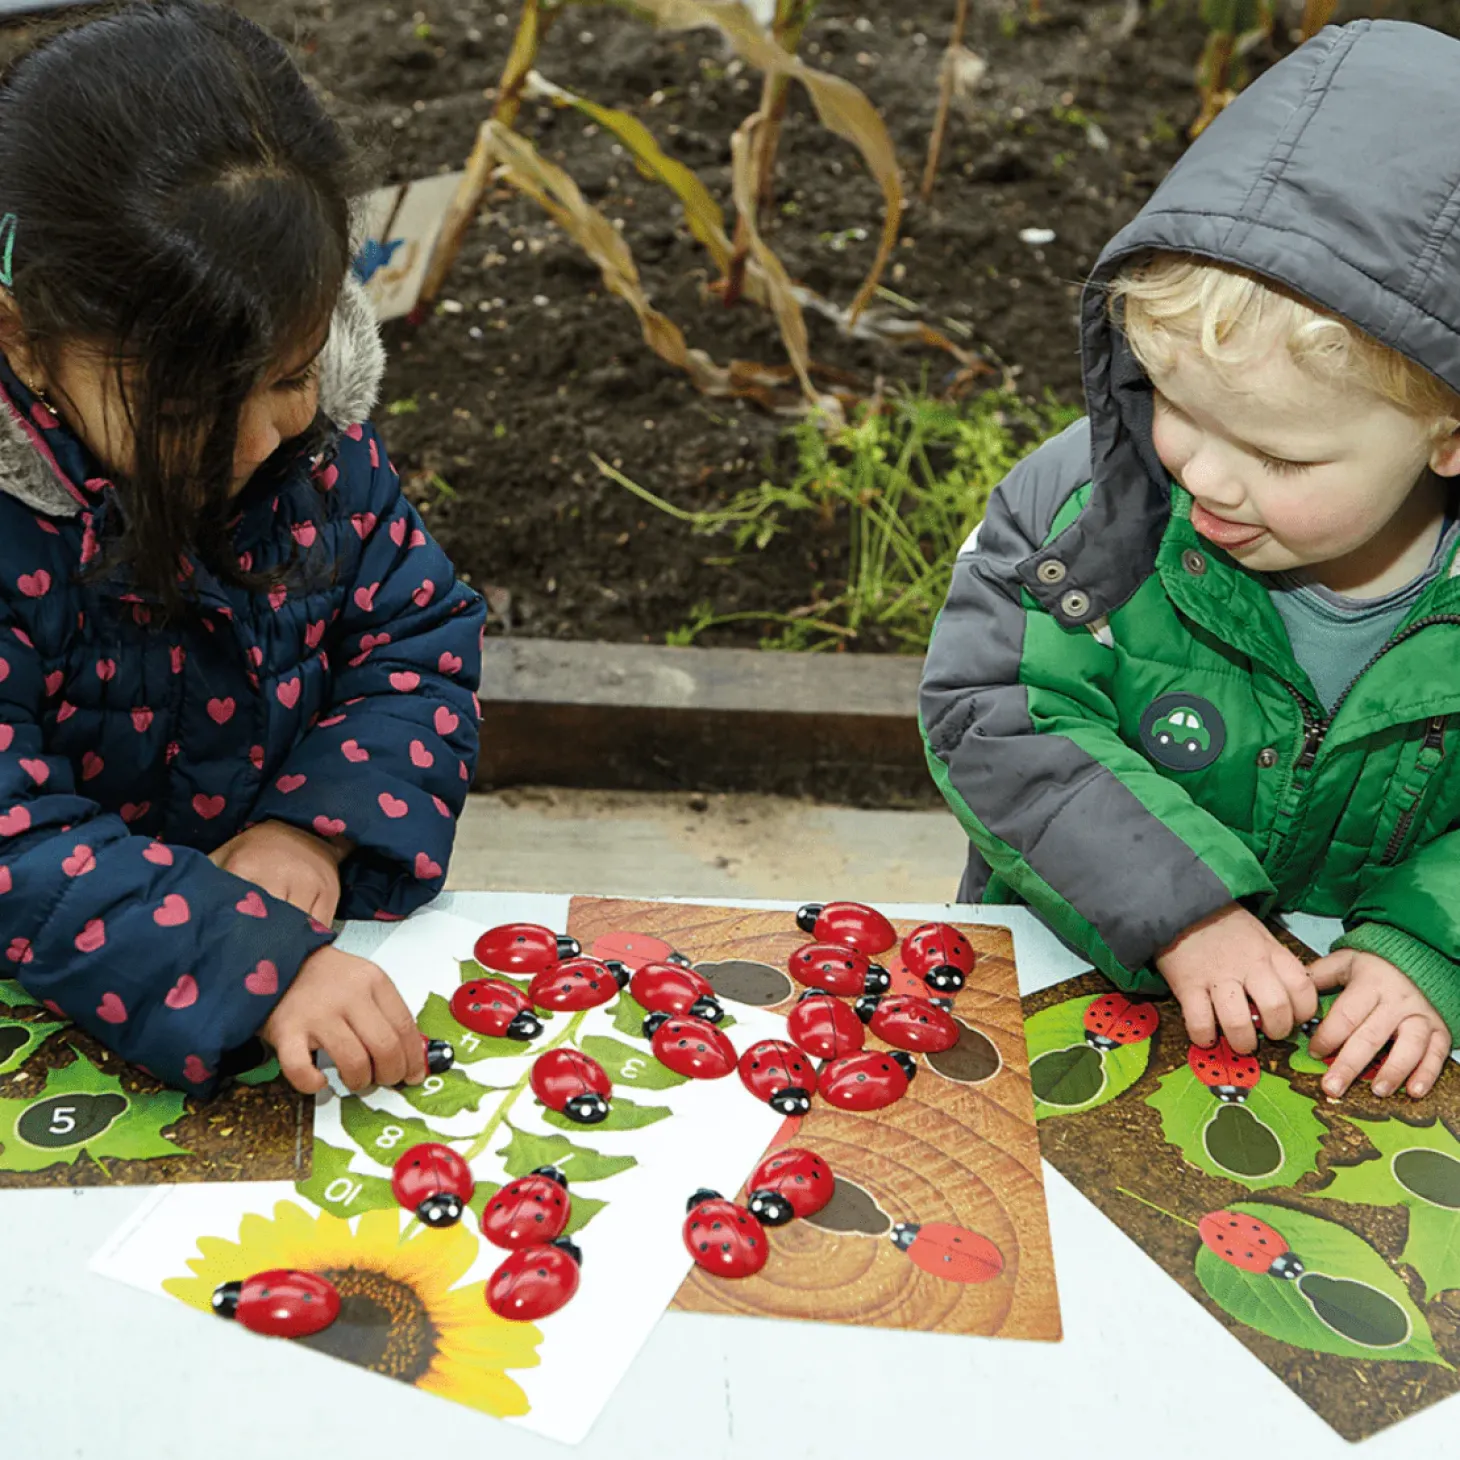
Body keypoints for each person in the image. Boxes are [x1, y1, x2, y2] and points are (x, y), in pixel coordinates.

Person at [921, 18, 1460, 1103]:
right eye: (1173, 402)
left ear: (1446, 434)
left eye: (1272, 452)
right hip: (1071, 963)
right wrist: (1184, 906)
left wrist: (1427, 948)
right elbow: (993, 710)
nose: (1204, 477)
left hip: (1350, 1047)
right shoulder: (1080, 512)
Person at [0, 2, 485, 1098]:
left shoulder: (320, 456)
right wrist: (244, 958)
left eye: (290, 370)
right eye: (203, 406)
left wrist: (309, 830)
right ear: (24, 340)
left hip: (269, 969)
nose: (273, 434)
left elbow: (416, 637)